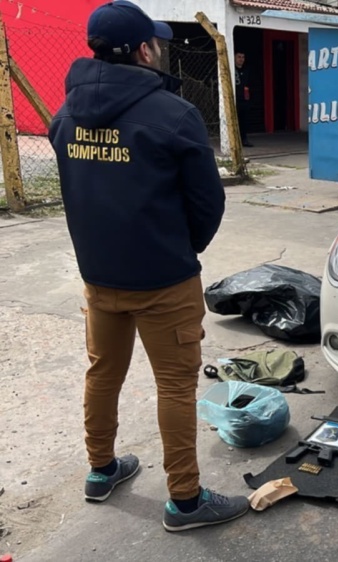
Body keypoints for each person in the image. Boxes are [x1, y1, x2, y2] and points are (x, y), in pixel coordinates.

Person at [48, 0, 247, 532]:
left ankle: (101, 469)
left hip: (98, 278)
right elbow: (207, 205)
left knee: (102, 374)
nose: (160, 48)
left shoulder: (64, 115)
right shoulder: (174, 115)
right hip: (165, 281)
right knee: (176, 388)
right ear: (143, 49)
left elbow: (77, 193)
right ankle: (185, 502)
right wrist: (181, 250)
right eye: (155, 42)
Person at [234, 50, 253, 147]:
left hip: (244, 99)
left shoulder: (247, 70)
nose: (241, 59)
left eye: (243, 57)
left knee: (244, 120)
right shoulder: (232, 70)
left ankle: (244, 139)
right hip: (234, 99)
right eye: (239, 57)